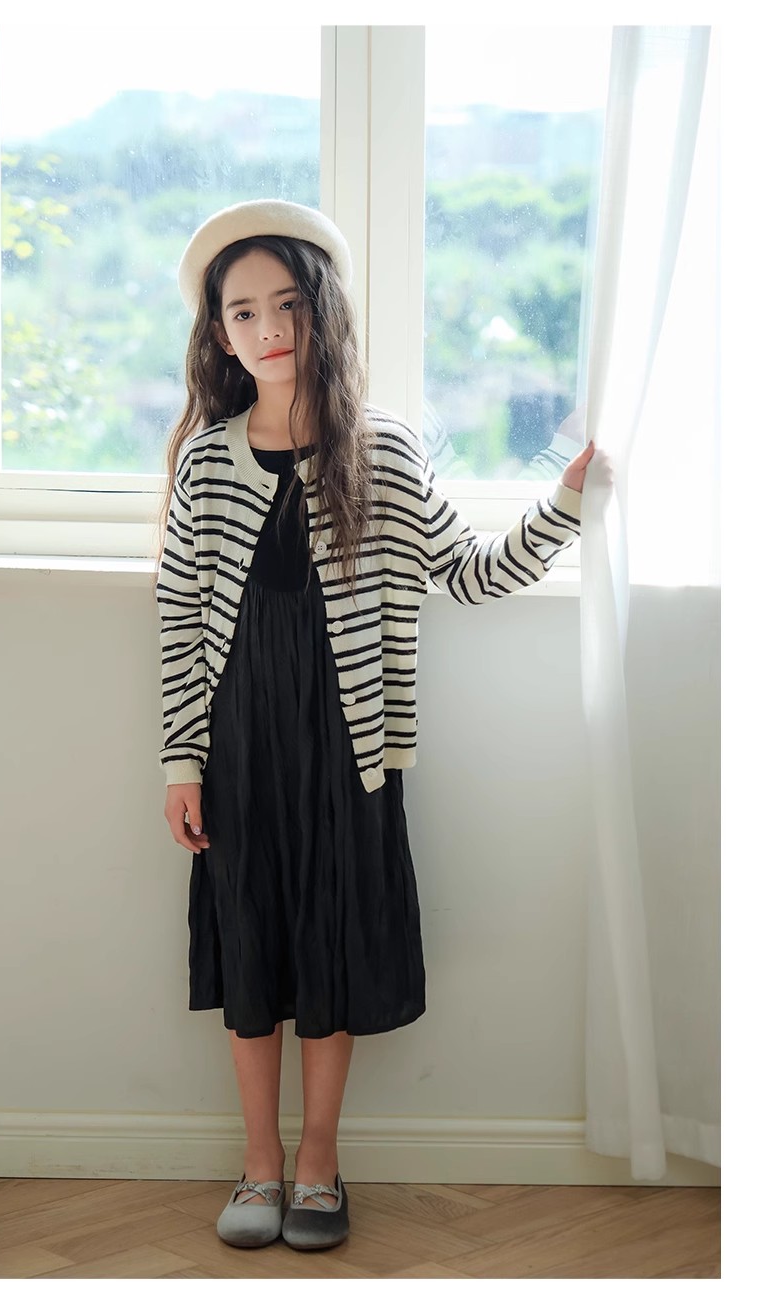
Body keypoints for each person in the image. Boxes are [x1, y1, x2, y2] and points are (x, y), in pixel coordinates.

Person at [153, 199, 596, 1252]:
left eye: (288, 304)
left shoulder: (383, 452)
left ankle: (318, 1163)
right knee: (252, 948)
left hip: (349, 754)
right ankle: (258, 1164)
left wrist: (567, 503)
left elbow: (472, 575)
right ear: (220, 334)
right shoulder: (206, 461)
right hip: (240, 752)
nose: (269, 328)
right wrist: (181, 762)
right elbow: (178, 616)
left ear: (324, 311)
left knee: (333, 948)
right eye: (243, 312)